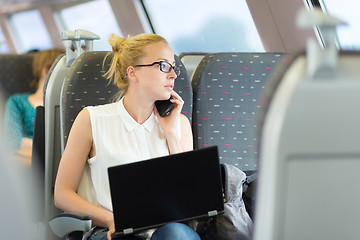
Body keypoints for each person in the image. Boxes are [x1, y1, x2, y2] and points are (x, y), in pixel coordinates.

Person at [54, 33, 198, 240]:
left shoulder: (179, 124)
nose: (173, 75)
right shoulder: (91, 119)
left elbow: (189, 201)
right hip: (111, 230)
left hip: (166, 231)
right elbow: (63, 195)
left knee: (177, 234)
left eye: (174, 67)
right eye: (163, 66)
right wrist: (111, 220)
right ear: (133, 73)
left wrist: (172, 136)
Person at [3, 48, 65, 167]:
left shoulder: (68, 103)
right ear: (46, 71)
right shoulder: (17, 102)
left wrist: (28, 145)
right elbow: (13, 142)